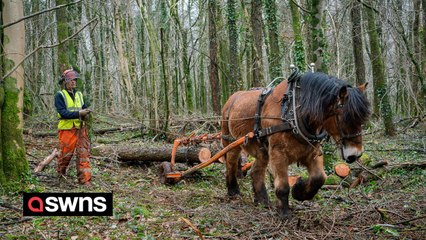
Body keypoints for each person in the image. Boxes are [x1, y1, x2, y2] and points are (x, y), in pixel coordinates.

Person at [55, 69, 92, 185]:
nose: (73, 82)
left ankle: (85, 180)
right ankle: (61, 176)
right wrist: (78, 114)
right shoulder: (60, 95)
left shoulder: (79, 94)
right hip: (66, 129)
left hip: (81, 128)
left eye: (75, 80)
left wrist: (86, 112)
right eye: (71, 80)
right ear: (65, 81)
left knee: (83, 155)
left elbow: (84, 107)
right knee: (65, 155)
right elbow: (63, 113)